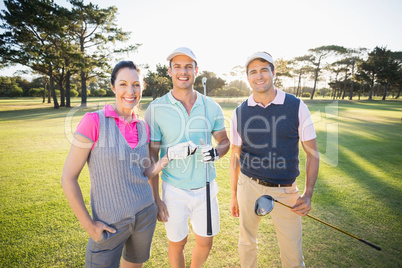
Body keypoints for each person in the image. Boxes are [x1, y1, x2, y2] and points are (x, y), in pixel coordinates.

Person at [61, 60, 197, 268]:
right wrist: (88, 225)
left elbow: (144, 172)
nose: (130, 90)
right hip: (110, 224)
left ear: (142, 88)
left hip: (144, 215)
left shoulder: (143, 126)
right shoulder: (93, 121)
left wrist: (166, 157)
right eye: (123, 84)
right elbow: (68, 178)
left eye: (136, 84)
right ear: (113, 87)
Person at [229, 52, 320, 268]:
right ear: (247, 77)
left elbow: (312, 153)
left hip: (286, 191)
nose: (258, 76)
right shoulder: (239, 112)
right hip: (248, 186)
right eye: (253, 72)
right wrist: (234, 195)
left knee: (293, 254)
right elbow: (235, 156)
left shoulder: (296, 106)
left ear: (273, 73)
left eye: (263, 70)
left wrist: (307, 194)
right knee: (246, 242)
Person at [145, 47, 230, 268]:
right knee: (177, 243)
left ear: (196, 70)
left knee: (206, 241)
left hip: (206, 188)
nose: (183, 72)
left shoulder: (211, 106)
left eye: (188, 67)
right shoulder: (156, 108)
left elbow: (224, 142)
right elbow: (152, 156)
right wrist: (157, 199)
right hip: (173, 189)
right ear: (170, 71)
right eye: (178, 67)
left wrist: (215, 152)